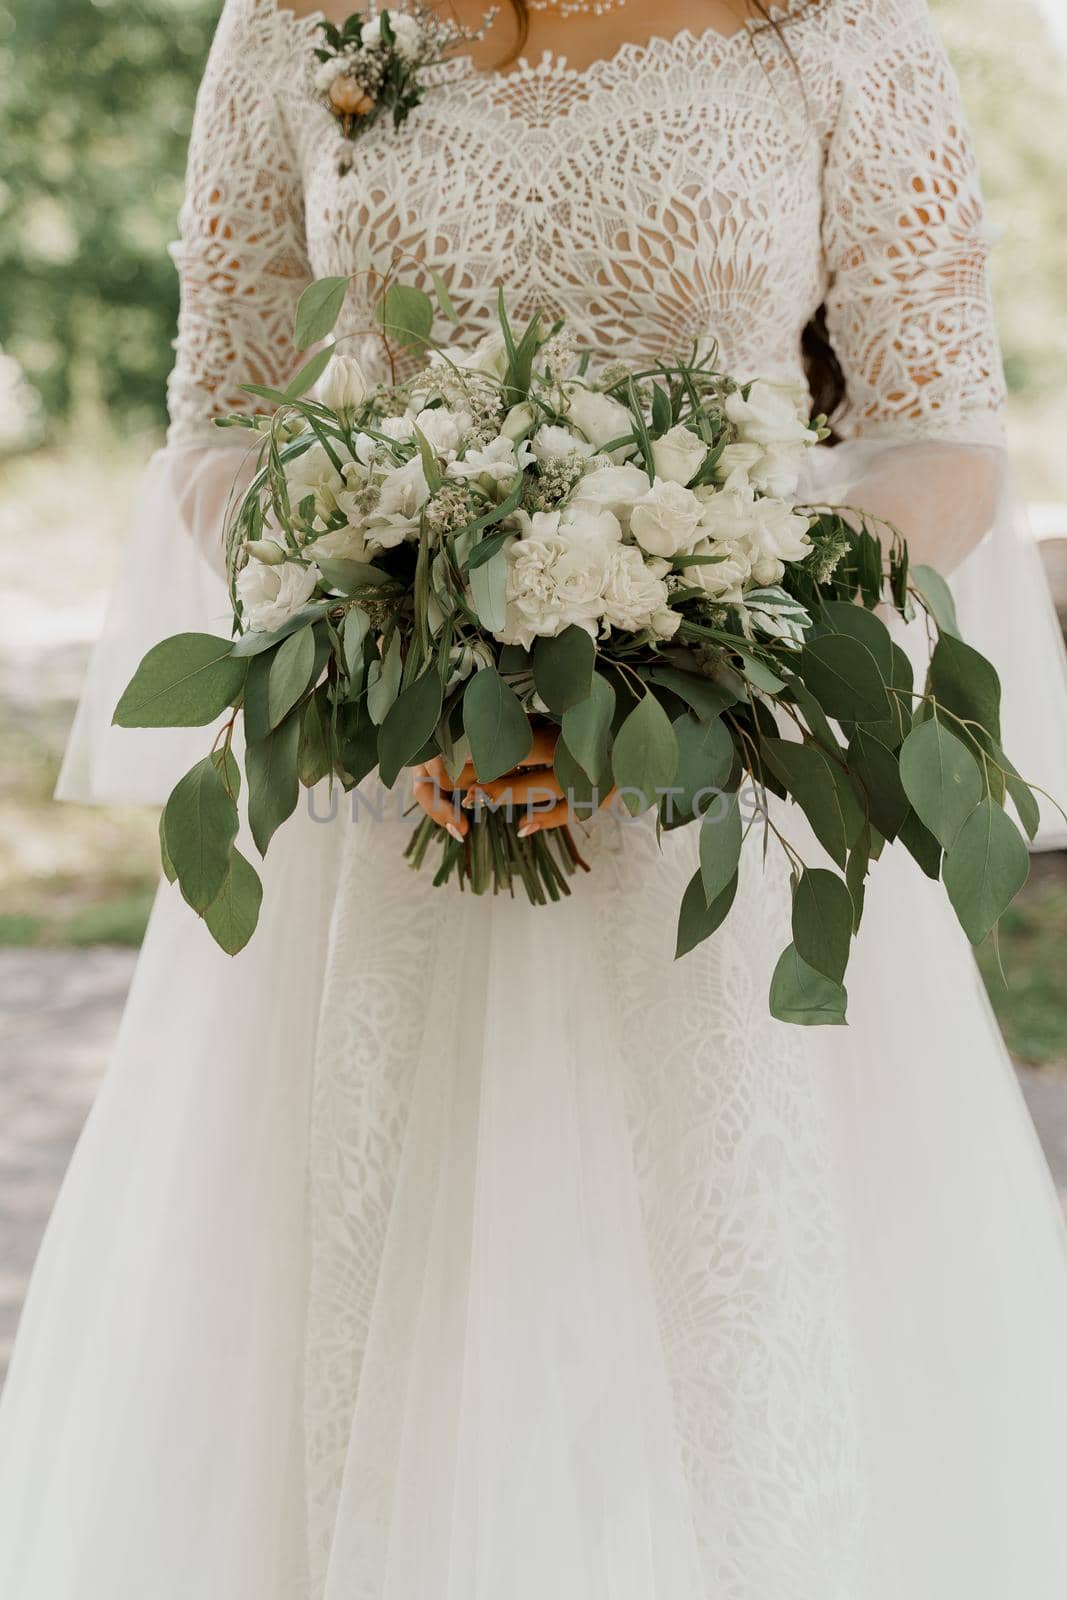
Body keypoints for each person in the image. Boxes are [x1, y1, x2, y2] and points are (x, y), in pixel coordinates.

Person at [3, 0, 1067, 1594]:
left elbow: (945, 439)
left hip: (715, 806)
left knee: (723, 1325)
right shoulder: (296, 25)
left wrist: (717, 611)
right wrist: (378, 632)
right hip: (389, 809)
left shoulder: (835, 32)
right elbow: (220, 420)